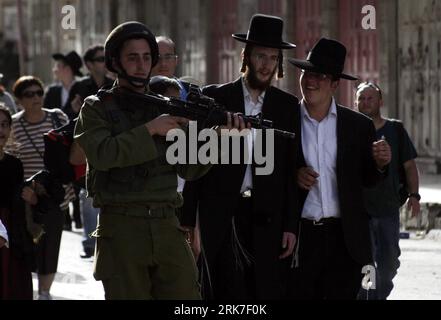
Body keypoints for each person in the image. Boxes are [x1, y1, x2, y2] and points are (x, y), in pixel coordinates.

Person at [74, 21, 244, 300]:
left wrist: (220, 136)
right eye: (132, 57)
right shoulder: (97, 107)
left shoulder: (165, 106)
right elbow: (103, 154)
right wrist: (151, 130)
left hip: (167, 225)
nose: (141, 65)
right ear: (115, 61)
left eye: (146, 57)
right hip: (122, 228)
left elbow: (190, 168)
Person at [181, 14, 299, 300]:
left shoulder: (287, 107)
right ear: (246, 56)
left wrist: (290, 226)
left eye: (273, 58)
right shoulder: (215, 99)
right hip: (219, 215)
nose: (266, 64)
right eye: (260, 56)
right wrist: (188, 220)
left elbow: (291, 171)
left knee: (261, 292)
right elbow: (194, 162)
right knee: (219, 291)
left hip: (267, 219)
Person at [287, 38, 392, 299]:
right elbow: (269, 172)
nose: (310, 81)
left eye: (320, 75)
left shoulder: (358, 126)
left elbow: (368, 180)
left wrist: (380, 164)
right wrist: (294, 175)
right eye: (307, 73)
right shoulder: (285, 119)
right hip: (301, 236)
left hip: (345, 240)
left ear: (335, 84)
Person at [355, 82, 420, 299]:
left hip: (388, 209)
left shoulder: (395, 130)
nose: (365, 102)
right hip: (360, 210)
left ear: (380, 101)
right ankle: (367, 297)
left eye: (369, 98)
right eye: (361, 98)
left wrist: (414, 195)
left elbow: (410, 166)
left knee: (389, 262)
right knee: (366, 262)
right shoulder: (349, 129)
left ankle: (377, 295)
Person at [10, 76, 69, 300]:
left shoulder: (56, 117)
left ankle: (45, 292)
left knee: (50, 246)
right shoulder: (13, 124)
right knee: (27, 245)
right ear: (19, 100)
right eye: (29, 94)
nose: (36, 98)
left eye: (39, 93)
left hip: (55, 196)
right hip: (26, 197)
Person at [0, 103, 34, 300]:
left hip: (12, 228)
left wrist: (32, 197)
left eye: (5, 124)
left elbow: (17, 200)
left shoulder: (15, 164)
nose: (1, 130)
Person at [44, 51, 83, 119]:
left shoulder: (82, 89)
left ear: (67, 69)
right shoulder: (51, 91)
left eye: (58, 66)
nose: (54, 70)